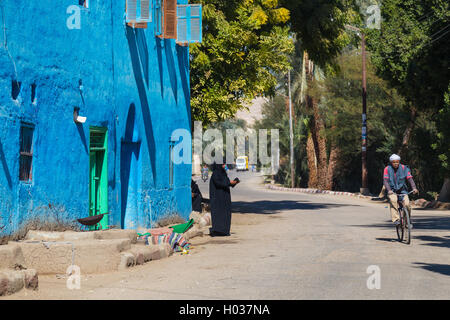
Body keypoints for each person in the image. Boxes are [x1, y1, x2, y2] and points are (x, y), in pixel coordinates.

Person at [383, 154, 419, 226]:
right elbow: (385, 181)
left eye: (397, 162)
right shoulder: (387, 169)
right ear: (391, 162)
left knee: (407, 204)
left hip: (403, 190)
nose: (396, 163)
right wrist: (389, 190)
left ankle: (407, 220)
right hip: (392, 190)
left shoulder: (404, 168)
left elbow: (409, 178)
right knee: (393, 200)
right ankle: (396, 219)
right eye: (394, 162)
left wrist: (414, 188)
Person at [209, 163, 240, 236]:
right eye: (223, 164)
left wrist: (234, 182)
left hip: (225, 198)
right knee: (218, 214)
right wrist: (229, 182)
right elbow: (219, 183)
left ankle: (224, 231)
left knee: (225, 214)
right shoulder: (215, 173)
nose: (224, 166)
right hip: (217, 198)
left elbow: (226, 183)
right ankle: (217, 231)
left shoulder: (223, 173)